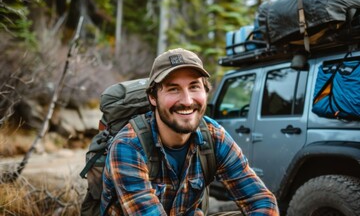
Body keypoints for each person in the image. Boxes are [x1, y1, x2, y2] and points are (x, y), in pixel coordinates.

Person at [100, 48, 279, 215]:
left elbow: (261, 200)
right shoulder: (128, 145)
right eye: (173, 89)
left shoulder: (214, 136)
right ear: (153, 98)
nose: (187, 101)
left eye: (194, 87)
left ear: (205, 91)